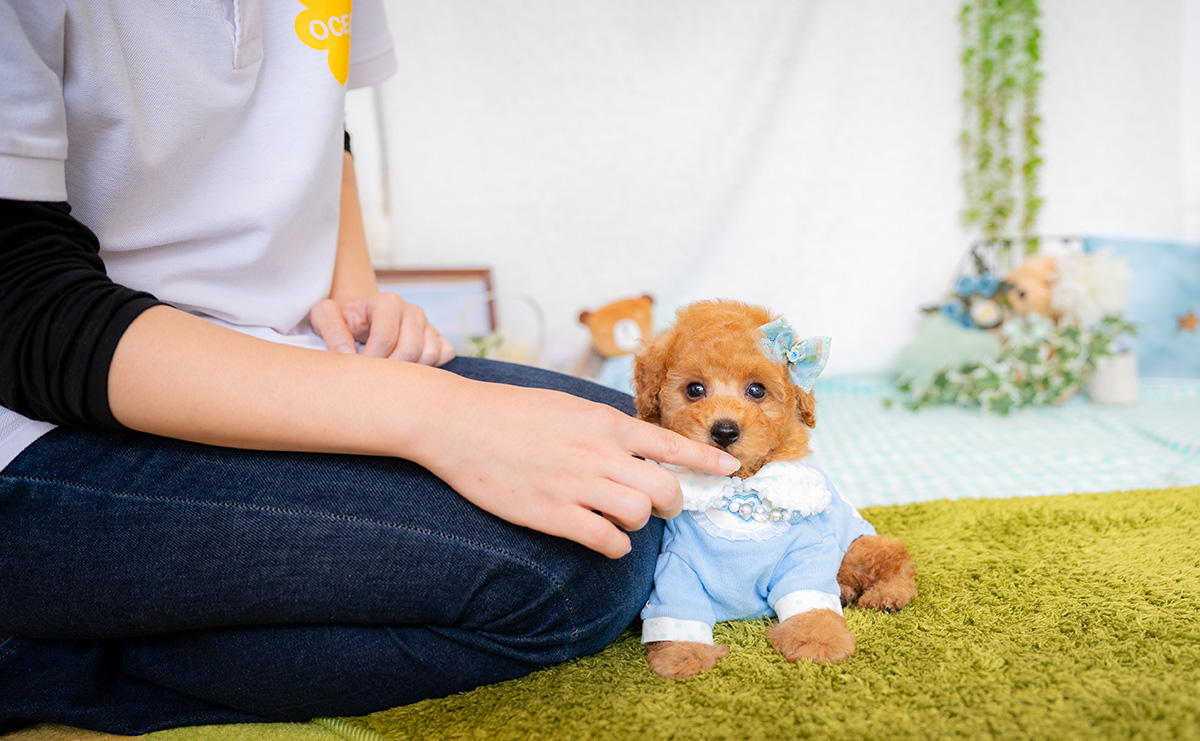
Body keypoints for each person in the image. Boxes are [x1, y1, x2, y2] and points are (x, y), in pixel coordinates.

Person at [0, 2, 739, 734]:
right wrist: (434, 413)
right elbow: (22, 309)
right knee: (569, 577)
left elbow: (315, 123)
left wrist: (355, 309)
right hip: (50, 425)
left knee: (636, 468)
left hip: (293, 357)